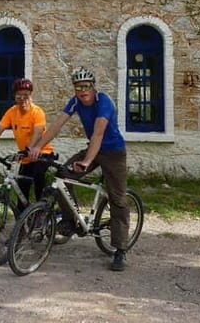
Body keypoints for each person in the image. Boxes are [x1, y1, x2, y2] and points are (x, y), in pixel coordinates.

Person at [29, 67, 130, 271]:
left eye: (86, 86)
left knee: (118, 199)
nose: (82, 91)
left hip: (113, 152)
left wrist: (86, 161)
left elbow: (98, 134)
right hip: (92, 149)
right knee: (62, 176)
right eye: (78, 87)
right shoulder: (75, 102)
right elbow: (57, 125)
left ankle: (120, 249)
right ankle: (70, 220)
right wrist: (38, 146)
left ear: (93, 87)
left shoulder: (104, 102)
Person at [0, 78, 54, 209]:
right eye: (19, 95)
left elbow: (38, 131)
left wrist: (30, 148)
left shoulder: (37, 111)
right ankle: (22, 222)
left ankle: (42, 210)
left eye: (26, 95)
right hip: (26, 157)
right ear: (14, 96)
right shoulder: (12, 112)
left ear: (31, 96)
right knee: (21, 187)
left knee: (38, 177)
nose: (22, 98)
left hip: (42, 153)